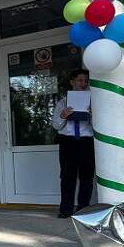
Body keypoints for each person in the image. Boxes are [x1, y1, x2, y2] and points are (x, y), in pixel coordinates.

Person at [52, 68, 94, 218]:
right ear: (72, 82)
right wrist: (63, 116)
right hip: (67, 141)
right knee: (67, 176)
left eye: (86, 81)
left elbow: (98, 127)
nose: (83, 83)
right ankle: (66, 209)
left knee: (86, 176)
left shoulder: (93, 103)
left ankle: (83, 210)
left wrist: (92, 115)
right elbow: (56, 126)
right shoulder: (62, 103)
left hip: (86, 141)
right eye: (80, 80)